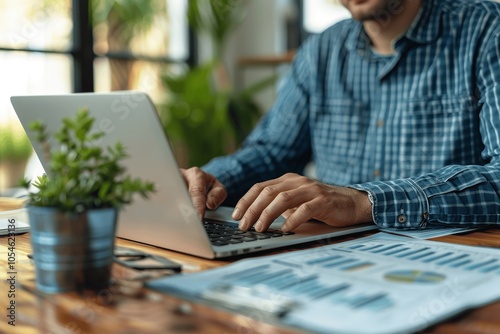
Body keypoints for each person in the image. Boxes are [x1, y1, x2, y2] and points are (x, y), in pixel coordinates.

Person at [182, 0, 500, 233]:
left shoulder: (486, 31)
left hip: (448, 259)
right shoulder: (320, 51)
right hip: (329, 253)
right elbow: (273, 151)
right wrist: (212, 181)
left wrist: (365, 202)